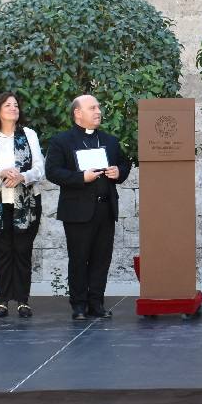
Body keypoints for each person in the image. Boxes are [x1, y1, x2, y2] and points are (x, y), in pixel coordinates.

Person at [44, 94, 132, 321]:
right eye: (92, 108)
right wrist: (80, 177)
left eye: (98, 107)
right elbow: (52, 171)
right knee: (79, 258)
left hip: (105, 209)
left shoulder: (110, 140)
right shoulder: (62, 141)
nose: (98, 111)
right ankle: (79, 305)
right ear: (77, 113)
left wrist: (118, 172)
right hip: (77, 211)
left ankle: (97, 303)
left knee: (102, 259)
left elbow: (124, 163)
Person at [0, 92, 45, 319]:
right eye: (8, 105)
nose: (13, 108)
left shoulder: (29, 134)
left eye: (16, 105)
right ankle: (3, 301)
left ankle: (23, 301)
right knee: (3, 251)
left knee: (23, 251)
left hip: (26, 201)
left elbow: (40, 168)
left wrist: (23, 176)